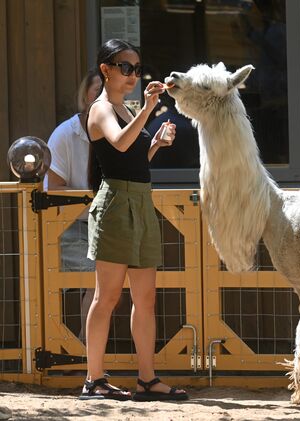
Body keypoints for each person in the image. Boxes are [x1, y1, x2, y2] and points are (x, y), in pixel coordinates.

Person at [80, 38, 187, 401]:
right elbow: (121, 145)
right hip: (115, 204)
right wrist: (149, 108)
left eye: (137, 69)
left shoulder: (125, 108)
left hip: (140, 201)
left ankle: (147, 380)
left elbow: (135, 156)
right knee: (107, 297)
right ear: (106, 70)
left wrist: (155, 142)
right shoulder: (101, 109)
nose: (133, 75)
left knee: (146, 298)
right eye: (126, 68)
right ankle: (93, 380)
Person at [44, 69, 101, 342]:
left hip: (108, 223)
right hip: (70, 225)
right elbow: (52, 188)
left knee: (112, 289)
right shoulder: (65, 133)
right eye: (97, 89)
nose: (102, 95)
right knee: (97, 281)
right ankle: (85, 352)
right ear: (85, 95)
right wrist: (91, 201)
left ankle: (86, 351)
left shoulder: (121, 129)